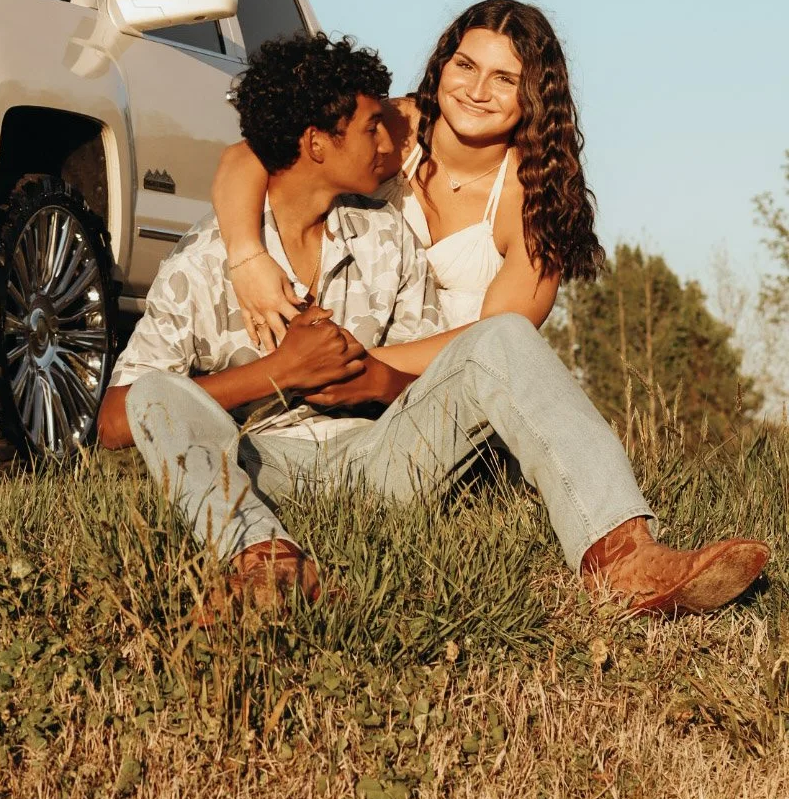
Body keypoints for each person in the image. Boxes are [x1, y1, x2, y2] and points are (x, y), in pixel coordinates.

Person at [97, 33, 769, 616]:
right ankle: (267, 564)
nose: (392, 139)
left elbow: (418, 386)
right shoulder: (204, 259)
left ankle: (624, 557)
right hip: (259, 464)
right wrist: (275, 375)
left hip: (378, 457)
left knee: (503, 335)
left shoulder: (384, 236)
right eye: (371, 129)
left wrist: (366, 379)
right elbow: (116, 422)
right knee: (157, 393)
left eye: (505, 78)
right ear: (317, 146)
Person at [212, 0, 601, 350]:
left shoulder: (537, 192)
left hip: (442, 388)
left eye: (504, 78)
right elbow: (247, 157)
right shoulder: (394, 128)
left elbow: (498, 340)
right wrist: (247, 258)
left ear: (536, 93)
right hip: (321, 363)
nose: (477, 91)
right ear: (442, 64)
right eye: (466, 66)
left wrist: (358, 367)